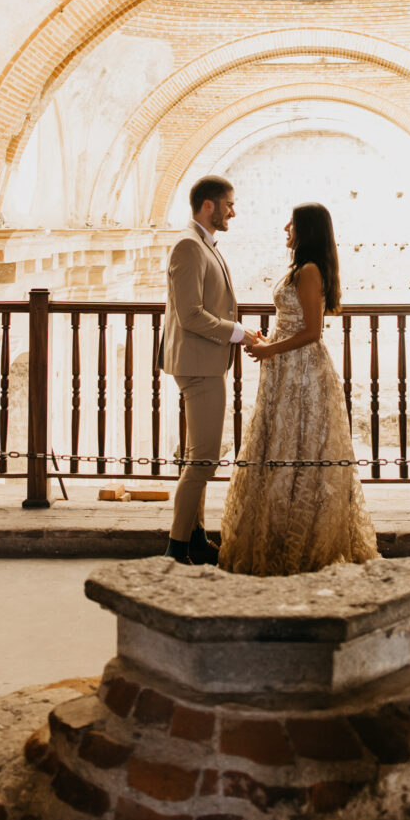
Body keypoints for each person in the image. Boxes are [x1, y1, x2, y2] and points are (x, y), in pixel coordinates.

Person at [218, 203, 378, 575]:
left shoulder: (309, 270)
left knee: (301, 444)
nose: (285, 227)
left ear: (307, 229)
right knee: (280, 442)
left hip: (302, 371)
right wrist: (264, 339)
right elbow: (290, 323)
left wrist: (267, 349)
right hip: (285, 369)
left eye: (292, 222)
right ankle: (276, 532)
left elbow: (311, 332)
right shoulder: (299, 267)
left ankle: (302, 540)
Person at [161, 175, 256, 565]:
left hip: (202, 361)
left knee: (197, 458)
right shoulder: (188, 245)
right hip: (198, 365)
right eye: (228, 204)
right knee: (203, 461)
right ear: (208, 206)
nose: (233, 211)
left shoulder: (200, 243)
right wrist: (237, 333)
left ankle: (196, 537)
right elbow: (190, 314)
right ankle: (176, 547)